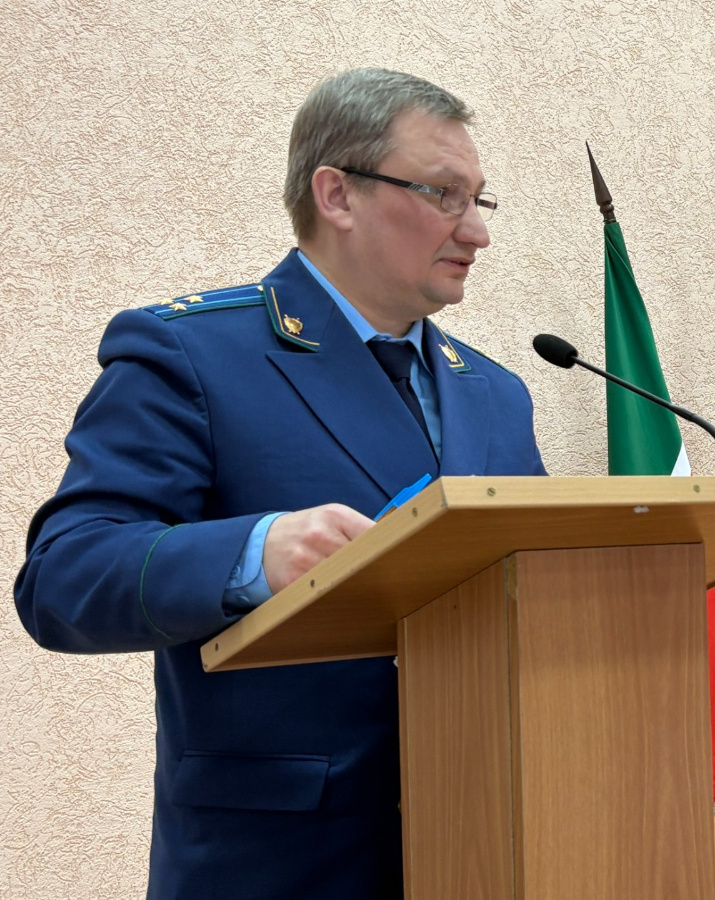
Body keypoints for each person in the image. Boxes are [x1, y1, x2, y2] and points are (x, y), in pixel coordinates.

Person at [13, 68, 545, 899]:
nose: (476, 230)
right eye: (444, 194)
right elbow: (63, 578)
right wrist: (255, 554)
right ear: (337, 194)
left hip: (493, 845)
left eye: (481, 200)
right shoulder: (191, 354)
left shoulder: (497, 393)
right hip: (283, 862)